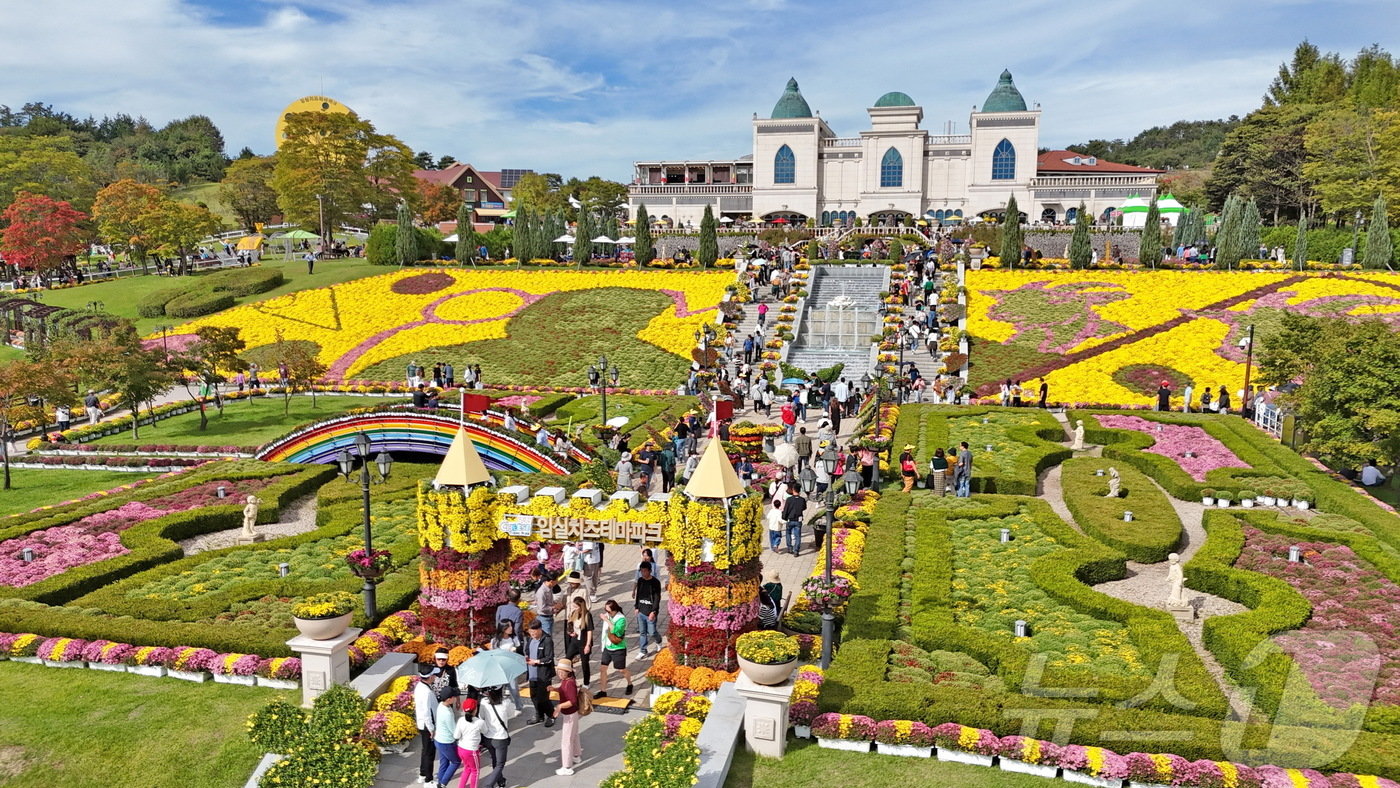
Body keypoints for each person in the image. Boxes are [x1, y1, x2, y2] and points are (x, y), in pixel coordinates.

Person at [478, 686, 515, 788]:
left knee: (495, 760)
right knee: (500, 763)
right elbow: (511, 714)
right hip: (500, 738)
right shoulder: (506, 703)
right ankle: (488, 785)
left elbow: (481, 717)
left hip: (488, 738)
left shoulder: (484, 702)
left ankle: (501, 781)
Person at [596, 599, 633, 697]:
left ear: (614, 610)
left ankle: (629, 683)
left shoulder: (621, 619)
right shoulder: (608, 615)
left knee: (621, 669)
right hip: (608, 647)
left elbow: (617, 631)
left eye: (608, 610)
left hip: (618, 648)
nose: (606, 612)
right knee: (603, 668)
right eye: (605, 610)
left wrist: (606, 620)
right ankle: (603, 691)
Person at [552, 658, 582, 777]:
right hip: (572, 714)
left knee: (566, 740)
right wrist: (554, 689)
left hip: (569, 714)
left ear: (568, 672)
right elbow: (562, 690)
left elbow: (572, 701)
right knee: (574, 735)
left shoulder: (569, 683)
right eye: (558, 671)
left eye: (562, 672)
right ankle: (576, 755)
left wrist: (559, 706)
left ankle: (567, 767)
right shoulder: (567, 681)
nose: (559, 674)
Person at [523, 620, 555, 727]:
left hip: (543, 675)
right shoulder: (530, 639)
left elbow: (549, 658)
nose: (532, 634)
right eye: (530, 632)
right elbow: (527, 651)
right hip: (532, 674)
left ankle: (552, 715)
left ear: (540, 629)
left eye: (534, 632)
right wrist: (526, 658)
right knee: (534, 696)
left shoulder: (547, 640)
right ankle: (539, 715)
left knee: (543, 698)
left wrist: (536, 662)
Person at [413, 663, 440, 785]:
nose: (435, 676)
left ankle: (423, 774)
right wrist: (432, 729)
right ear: (429, 677)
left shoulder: (421, 686)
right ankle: (428, 780)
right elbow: (426, 712)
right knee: (429, 753)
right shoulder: (426, 692)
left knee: (425, 750)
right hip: (427, 725)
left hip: (423, 724)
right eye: (433, 674)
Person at [489, 620, 524, 711]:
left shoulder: (514, 639)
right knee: (499, 688)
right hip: (500, 667)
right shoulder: (495, 640)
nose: (511, 628)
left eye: (511, 626)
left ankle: (518, 706)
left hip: (511, 668)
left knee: (514, 689)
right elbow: (492, 654)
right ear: (503, 628)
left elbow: (519, 651)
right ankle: (500, 706)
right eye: (508, 627)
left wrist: (515, 651)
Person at [433, 688, 463, 788]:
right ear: (449, 699)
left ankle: (440, 781)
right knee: (456, 761)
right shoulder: (447, 713)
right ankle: (443, 783)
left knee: (444, 762)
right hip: (447, 742)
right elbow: (454, 732)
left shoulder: (441, 706)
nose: (455, 698)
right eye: (454, 697)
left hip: (439, 740)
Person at [564, 595, 594, 688]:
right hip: (574, 640)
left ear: (581, 606)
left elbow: (589, 631)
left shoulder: (587, 615)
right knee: (568, 659)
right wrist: (570, 632)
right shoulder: (574, 613)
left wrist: (588, 645)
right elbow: (570, 624)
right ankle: (571, 678)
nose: (574, 608)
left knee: (585, 663)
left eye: (576, 607)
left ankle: (586, 682)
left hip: (583, 642)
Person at [453, 697, 484, 788]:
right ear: (475, 709)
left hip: (461, 749)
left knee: (467, 769)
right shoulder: (479, 722)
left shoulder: (461, 720)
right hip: (472, 751)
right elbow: (485, 731)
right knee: (475, 771)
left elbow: (456, 736)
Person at [633, 560, 662, 658]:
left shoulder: (655, 582)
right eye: (641, 571)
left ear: (650, 571)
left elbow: (657, 598)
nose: (643, 573)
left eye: (645, 571)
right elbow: (638, 594)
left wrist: (654, 611)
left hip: (650, 612)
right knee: (642, 632)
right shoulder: (640, 580)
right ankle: (643, 650)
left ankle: (658, 641)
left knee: (652, 632)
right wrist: (636, 607)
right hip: (641, 610)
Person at [782, 484, 807, 556]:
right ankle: (796, 550)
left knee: (788, 533)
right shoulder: (802, 500)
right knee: (797, 536)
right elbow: (804, 508)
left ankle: (790, 547)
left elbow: (786, 509)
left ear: (793, 490)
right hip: (798, 519)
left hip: (790, 519)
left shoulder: (789, 499)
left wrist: (784, 517)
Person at [533, 571, 556, 637]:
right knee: (546, 638)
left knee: (549, 636)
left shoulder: (550, 587)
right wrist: (553, 607)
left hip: (549, 616)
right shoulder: (541, 592)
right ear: (551, 581)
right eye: (556, 580)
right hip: (544, 618)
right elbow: (542, 608)